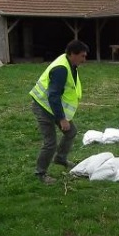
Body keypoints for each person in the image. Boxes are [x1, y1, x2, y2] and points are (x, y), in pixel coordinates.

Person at [29, 40, 89, 184]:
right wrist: (62, 119)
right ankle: (40, 173)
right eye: (82, 56)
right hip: (44, 107)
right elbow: (53, 95)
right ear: (72, 54)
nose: (84, 60)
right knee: (50, 143)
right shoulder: (61, 69)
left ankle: (60, 158)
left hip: (54, 106)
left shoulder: (71, 64)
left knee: (71, 132)